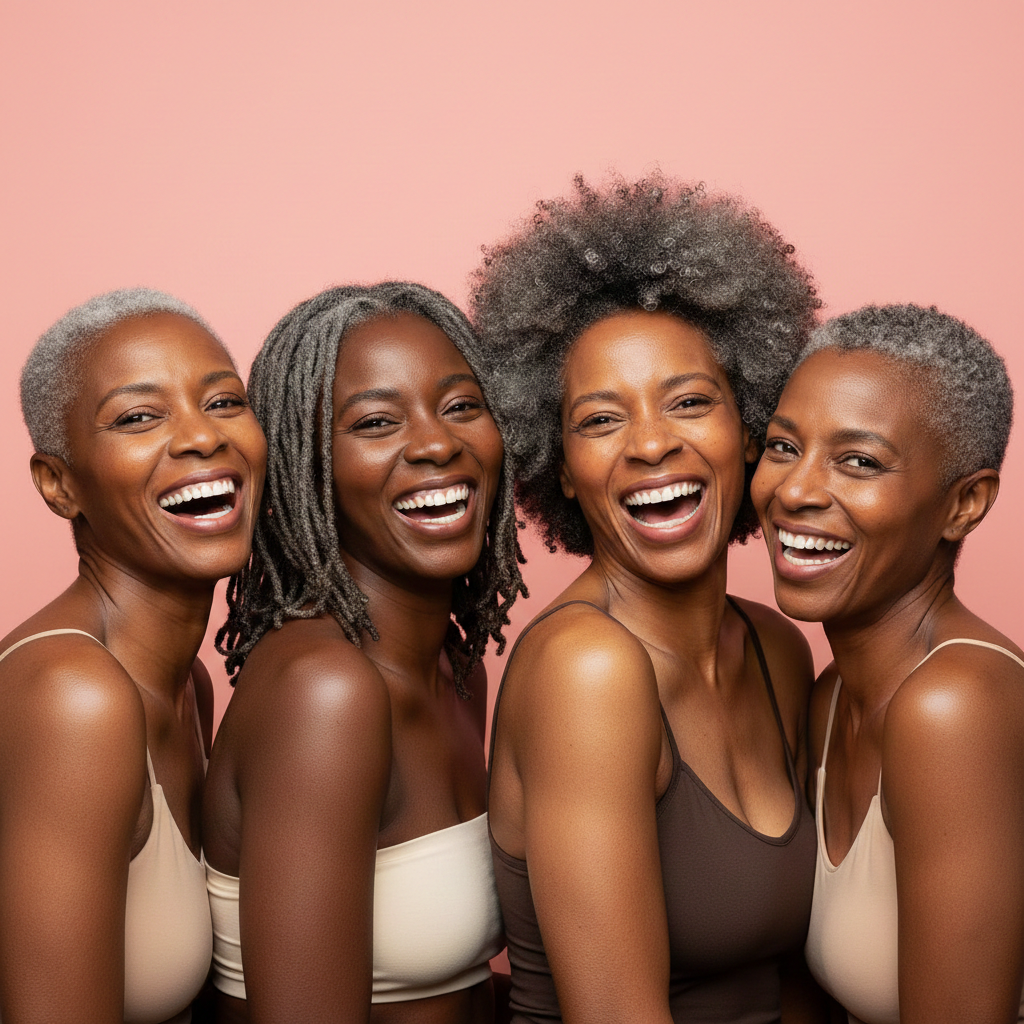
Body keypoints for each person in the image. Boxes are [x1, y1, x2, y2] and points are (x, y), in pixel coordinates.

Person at [470, 175, 822, 1024]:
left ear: (751, 424)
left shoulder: (777, 648)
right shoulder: (586, 669)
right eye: (600, 420)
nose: (653, 444)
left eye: (690, 403)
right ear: (554, 461)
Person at [202, 282, 527, 1024]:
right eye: (376, 422)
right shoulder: (324, 693)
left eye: (461, 406)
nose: (437, 444)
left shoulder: (456, 666)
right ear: (303, 467)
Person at [751, 304, 1024, 1024]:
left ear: (964, 504)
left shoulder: (955, 705)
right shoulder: (833, 693)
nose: (796, 491)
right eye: (783, 447)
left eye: (858, 461)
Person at [0, 288, 266, 1024]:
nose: (202, 438)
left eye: (223, 402)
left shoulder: (192, 686)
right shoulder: (73, 696)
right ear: (59, 485)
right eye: (139, 417)